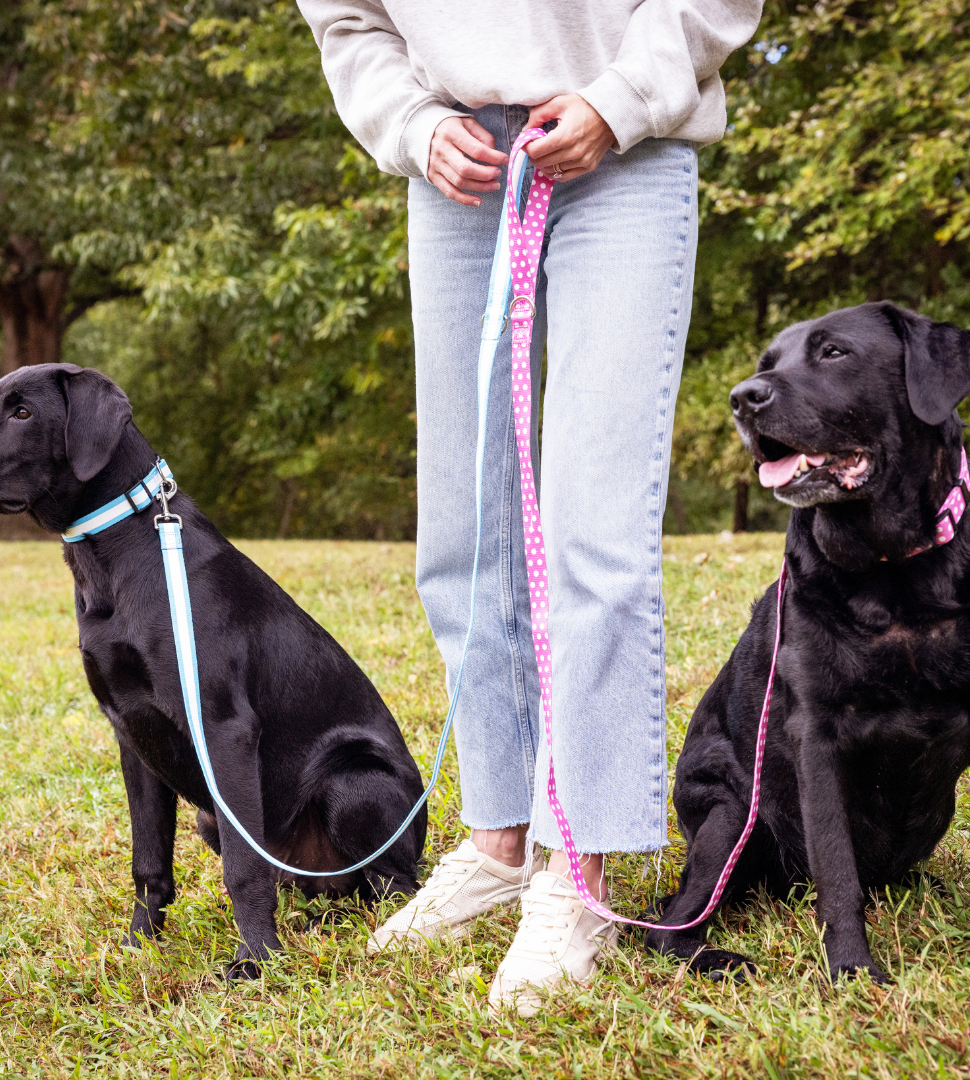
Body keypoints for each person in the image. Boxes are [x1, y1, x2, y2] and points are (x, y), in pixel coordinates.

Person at [296, 0, 763, 1015]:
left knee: (596, 532)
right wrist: (416, 128)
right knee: (466, 534)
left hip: (621, 145)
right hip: (455, 162)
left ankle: (577, 872)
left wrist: (620, 99)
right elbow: (348, 23)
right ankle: (502, 840)